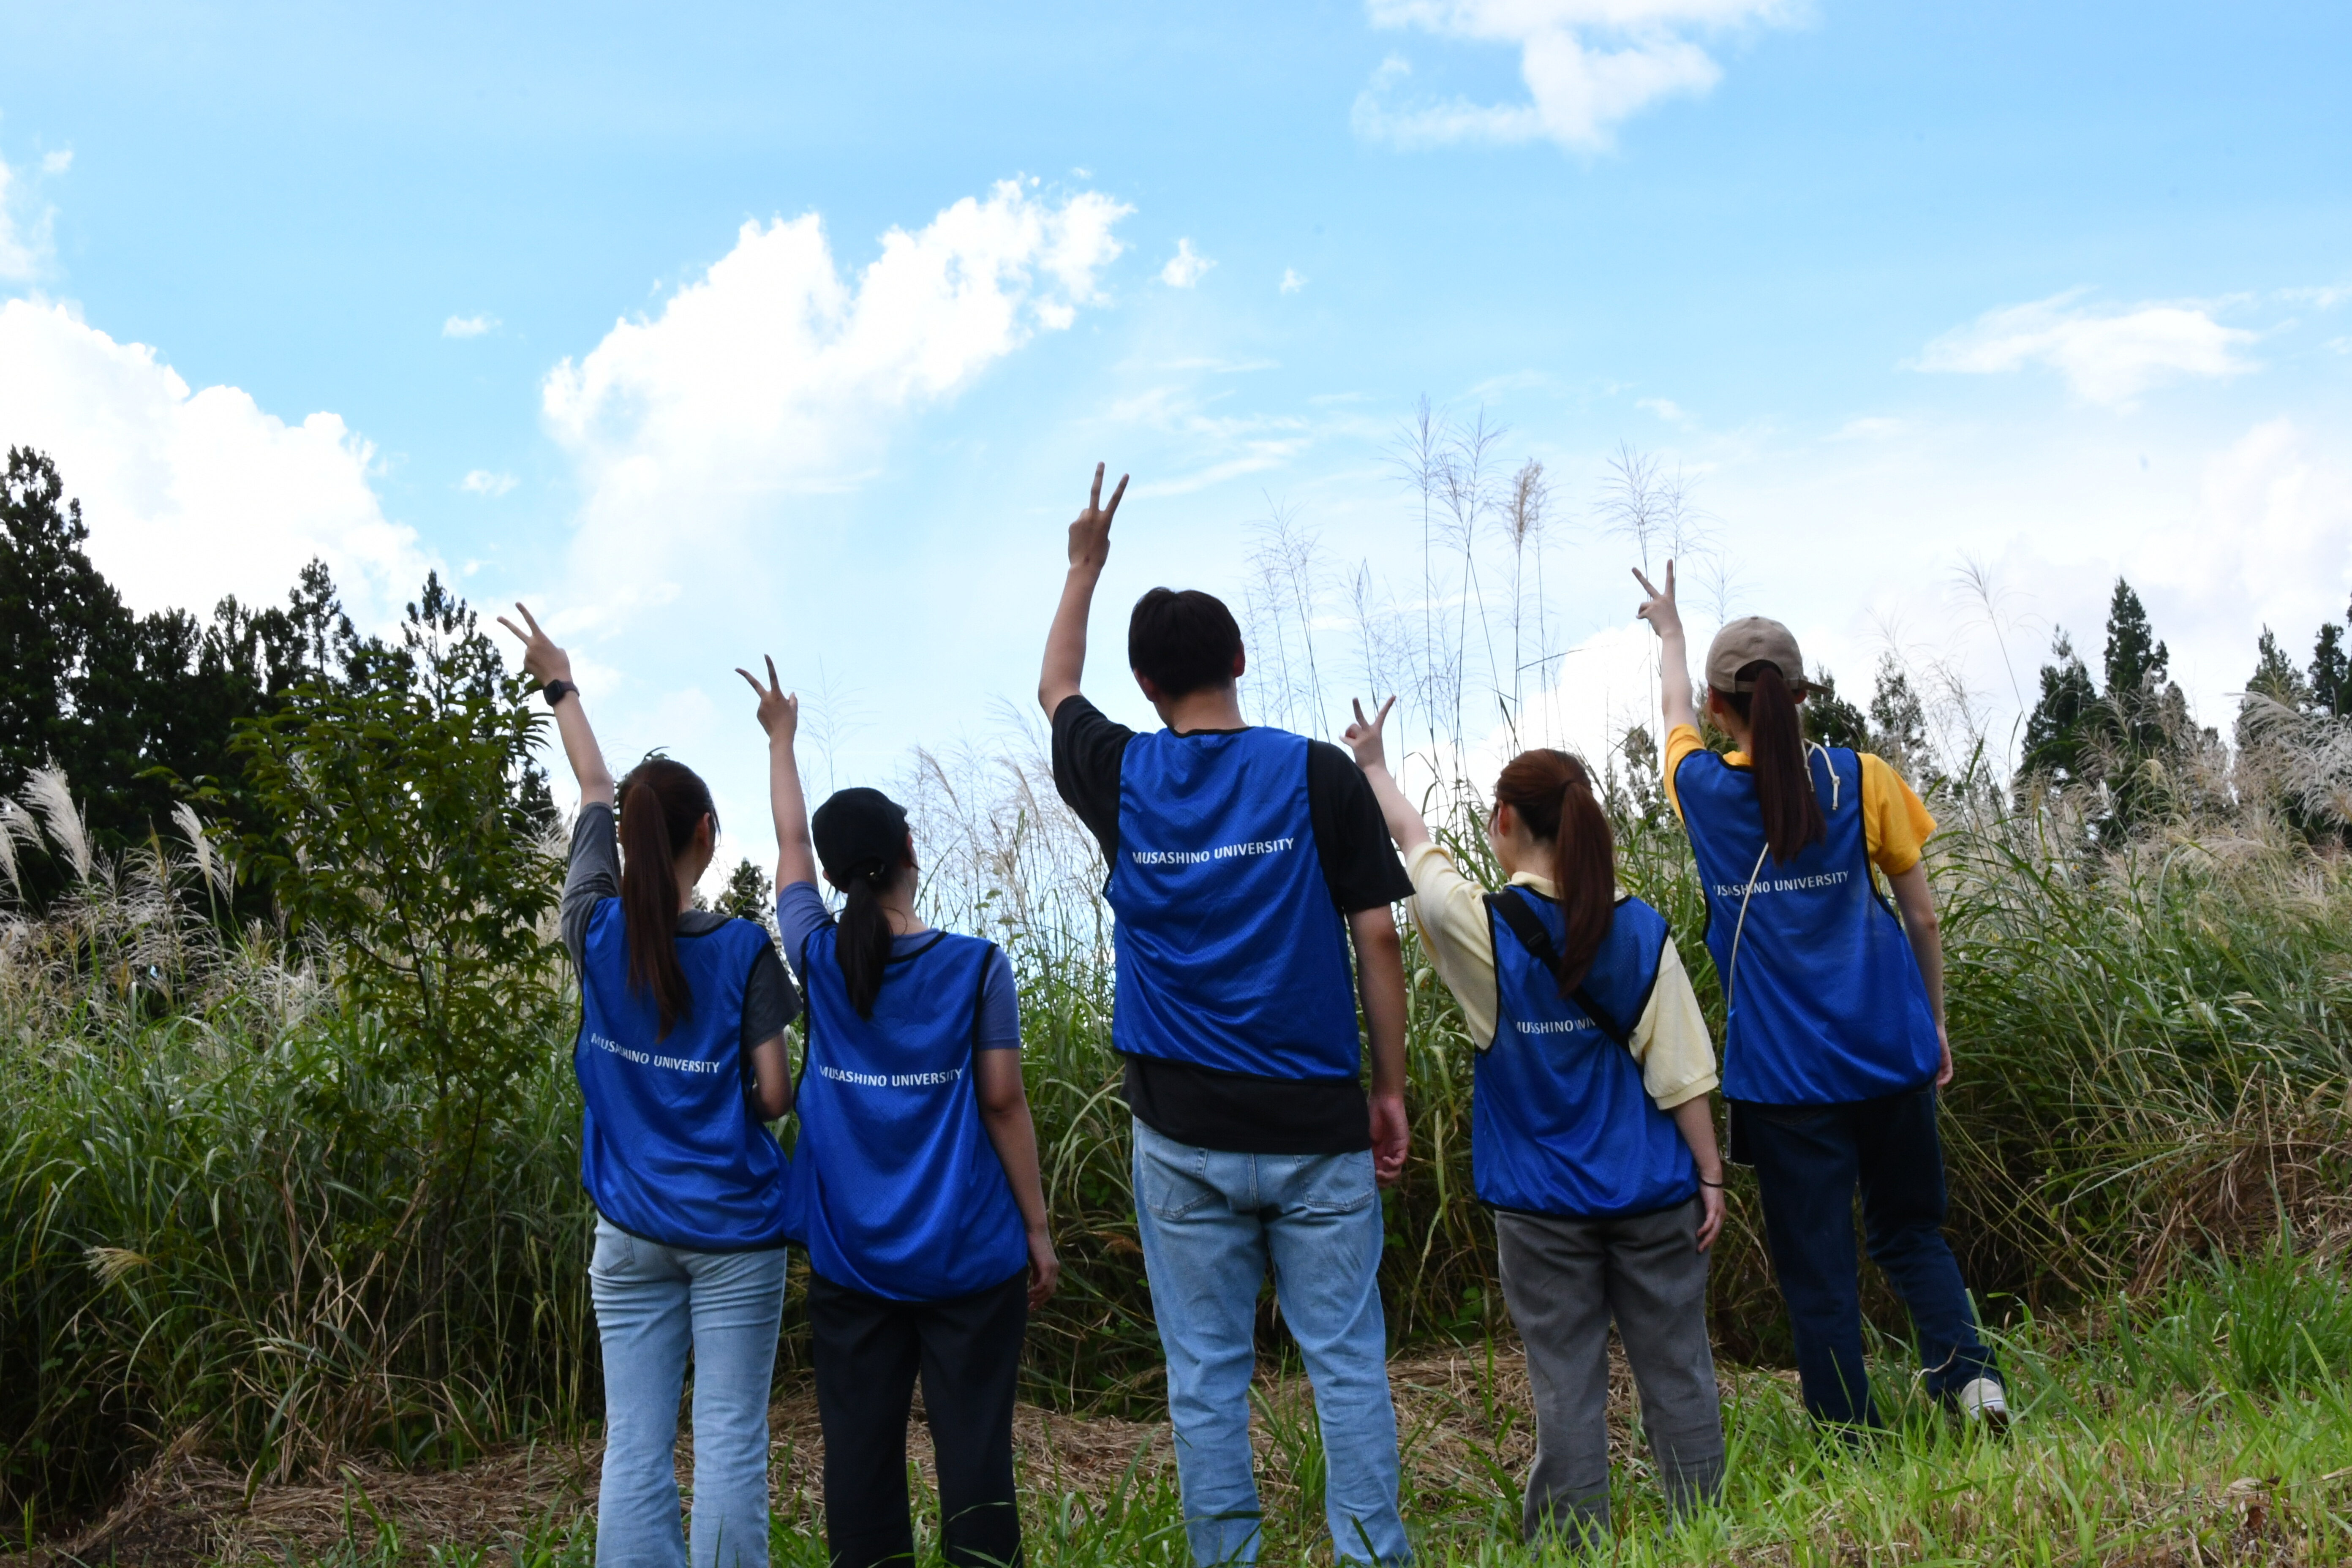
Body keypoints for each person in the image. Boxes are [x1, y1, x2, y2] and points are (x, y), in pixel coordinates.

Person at [1037, 464, 1415, 1567]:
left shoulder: (1121, 774)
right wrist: (1387, 1090)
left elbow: (1057, 684)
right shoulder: (1316, 777)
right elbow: (1378, 939)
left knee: (1205, 1378)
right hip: (1316, 1125)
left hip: (1185, 1133)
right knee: (1345, 1363)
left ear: (1148, 686)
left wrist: (1084, 565)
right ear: (1240, 661)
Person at [1631, 564, 2009, 1432]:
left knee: (1819, 1269)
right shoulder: (1862, 777)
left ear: (1726, 707)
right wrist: (1934, 1022)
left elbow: (1671, 714)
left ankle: (1852, 1434)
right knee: (1912, 1234)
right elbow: (1923, 917)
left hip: (1787, 1081)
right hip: (1891, 1053)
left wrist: (1673, 633)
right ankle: (1972, 1381)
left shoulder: (1702, 791)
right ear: (1801, 693)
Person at [1341, 697, 1729, 1541]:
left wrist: (1375, 768)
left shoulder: (1482, 930)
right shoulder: (1639, 927)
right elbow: (1683, 1068)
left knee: (1565, 1385)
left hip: (1540, 1205)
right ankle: (1705, 1535)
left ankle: (1574, 1545)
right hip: (1653, 1192)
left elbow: (1422, 857)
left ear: (1508, 819)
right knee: (1679, 1374)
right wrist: (1709, 1172)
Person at [738, 658, 1059, 1568]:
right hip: (970, 1257)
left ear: (843, 876)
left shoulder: (818, 955)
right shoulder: (976, 966)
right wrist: (1038, 1230)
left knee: (861, 1458)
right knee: (976, 1456)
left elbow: (789, 847)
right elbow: (1002, 1100)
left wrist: (782, 740)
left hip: (852, 1262)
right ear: (910, 853)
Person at [499, 605, 797, 1568]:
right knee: (728, 1443)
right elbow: (776, 1092)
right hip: (733, 1232)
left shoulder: (592, 926)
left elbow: (592, 781)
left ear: (627, 838)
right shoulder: (747, 948)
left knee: (632, 1442)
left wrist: (561, 682)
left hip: (626, 1229)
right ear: (706, 834)